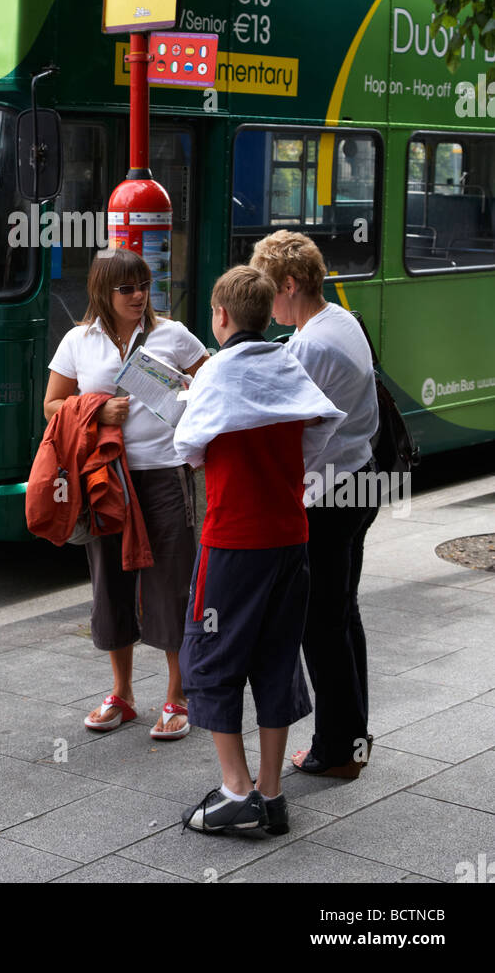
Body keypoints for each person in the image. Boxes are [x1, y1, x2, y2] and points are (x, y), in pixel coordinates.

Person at [172, 265, 344, 834]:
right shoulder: (288, 363)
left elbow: (188, 448)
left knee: (211, 658)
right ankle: (271, 795)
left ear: (220, 316)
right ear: (268, 311)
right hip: (289, 537)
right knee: (276, 657)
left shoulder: (217, 374)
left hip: (233, 541)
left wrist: (187, 399)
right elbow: (318, 435)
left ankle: (235, 790)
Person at [43, 248, 207, 739]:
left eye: (144, 286)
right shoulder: (78, 340)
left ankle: (177, 696)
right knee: (109, 584)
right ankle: (123, 693)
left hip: (164, 473)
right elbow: (52, 405)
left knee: (171, 583)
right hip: (104, 477)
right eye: (127, 288)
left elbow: (214, 388)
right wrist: (94, 411)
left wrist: (182, 396)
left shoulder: (171, 335)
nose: (139, 296)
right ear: (103, 292)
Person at [249, 230, 380, 779]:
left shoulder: (311, 344)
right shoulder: (337, 320)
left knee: (320, 626)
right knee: (342, 615)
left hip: (328, 498)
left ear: (289, 284)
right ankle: (353, 739)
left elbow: (288, 430)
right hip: (358, 480)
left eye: (267, 291)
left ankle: (337, 750)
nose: (263, 304)